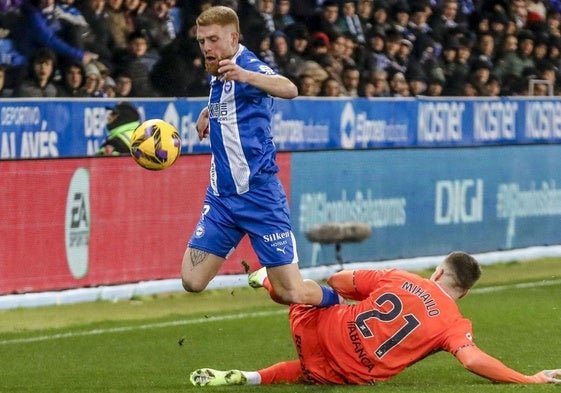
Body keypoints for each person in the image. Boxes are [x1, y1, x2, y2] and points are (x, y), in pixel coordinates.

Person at [190, 251, 561, 387]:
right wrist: (529, 378)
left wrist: (357, 294)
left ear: (436, 273)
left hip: (313, 329)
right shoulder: (455, 324)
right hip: (348, 374)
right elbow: (473, 360)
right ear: (464, 293)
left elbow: (339, 281)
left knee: (320, 294)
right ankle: (251, 377)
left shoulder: (400, 277)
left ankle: (268, 281)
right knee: (312, 372)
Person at [181, 5, 341, 308]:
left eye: (213, 40)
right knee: (192, 279)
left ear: (233, 37)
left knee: (291, 294)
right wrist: (208, 113)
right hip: (222, 199)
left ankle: (338, 301)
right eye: (202, 41)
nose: (206, 48)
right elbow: (233, 105)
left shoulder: (246, 65)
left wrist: (247, 75)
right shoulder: (219, 70)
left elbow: (289, 88)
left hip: (260, 197)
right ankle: (269, 276)